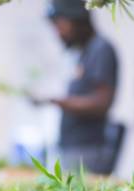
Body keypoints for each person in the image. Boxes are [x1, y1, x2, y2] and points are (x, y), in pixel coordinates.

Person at [40, 0, 119, 173]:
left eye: (61, 25)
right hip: (73, 148)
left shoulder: (101, 49)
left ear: (77, 21)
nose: (58, 33)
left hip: (88, 150)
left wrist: (57, 101)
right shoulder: (85, 52)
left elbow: (101, 102)